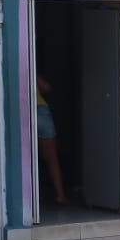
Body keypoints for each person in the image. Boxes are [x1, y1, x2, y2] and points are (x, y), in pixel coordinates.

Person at [36, 75, 68, 205]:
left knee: (24, 158)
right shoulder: (30, 69)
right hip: (41, 109)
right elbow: (46, 88)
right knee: (51, 158)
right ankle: (60, 195)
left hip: (23, 108)